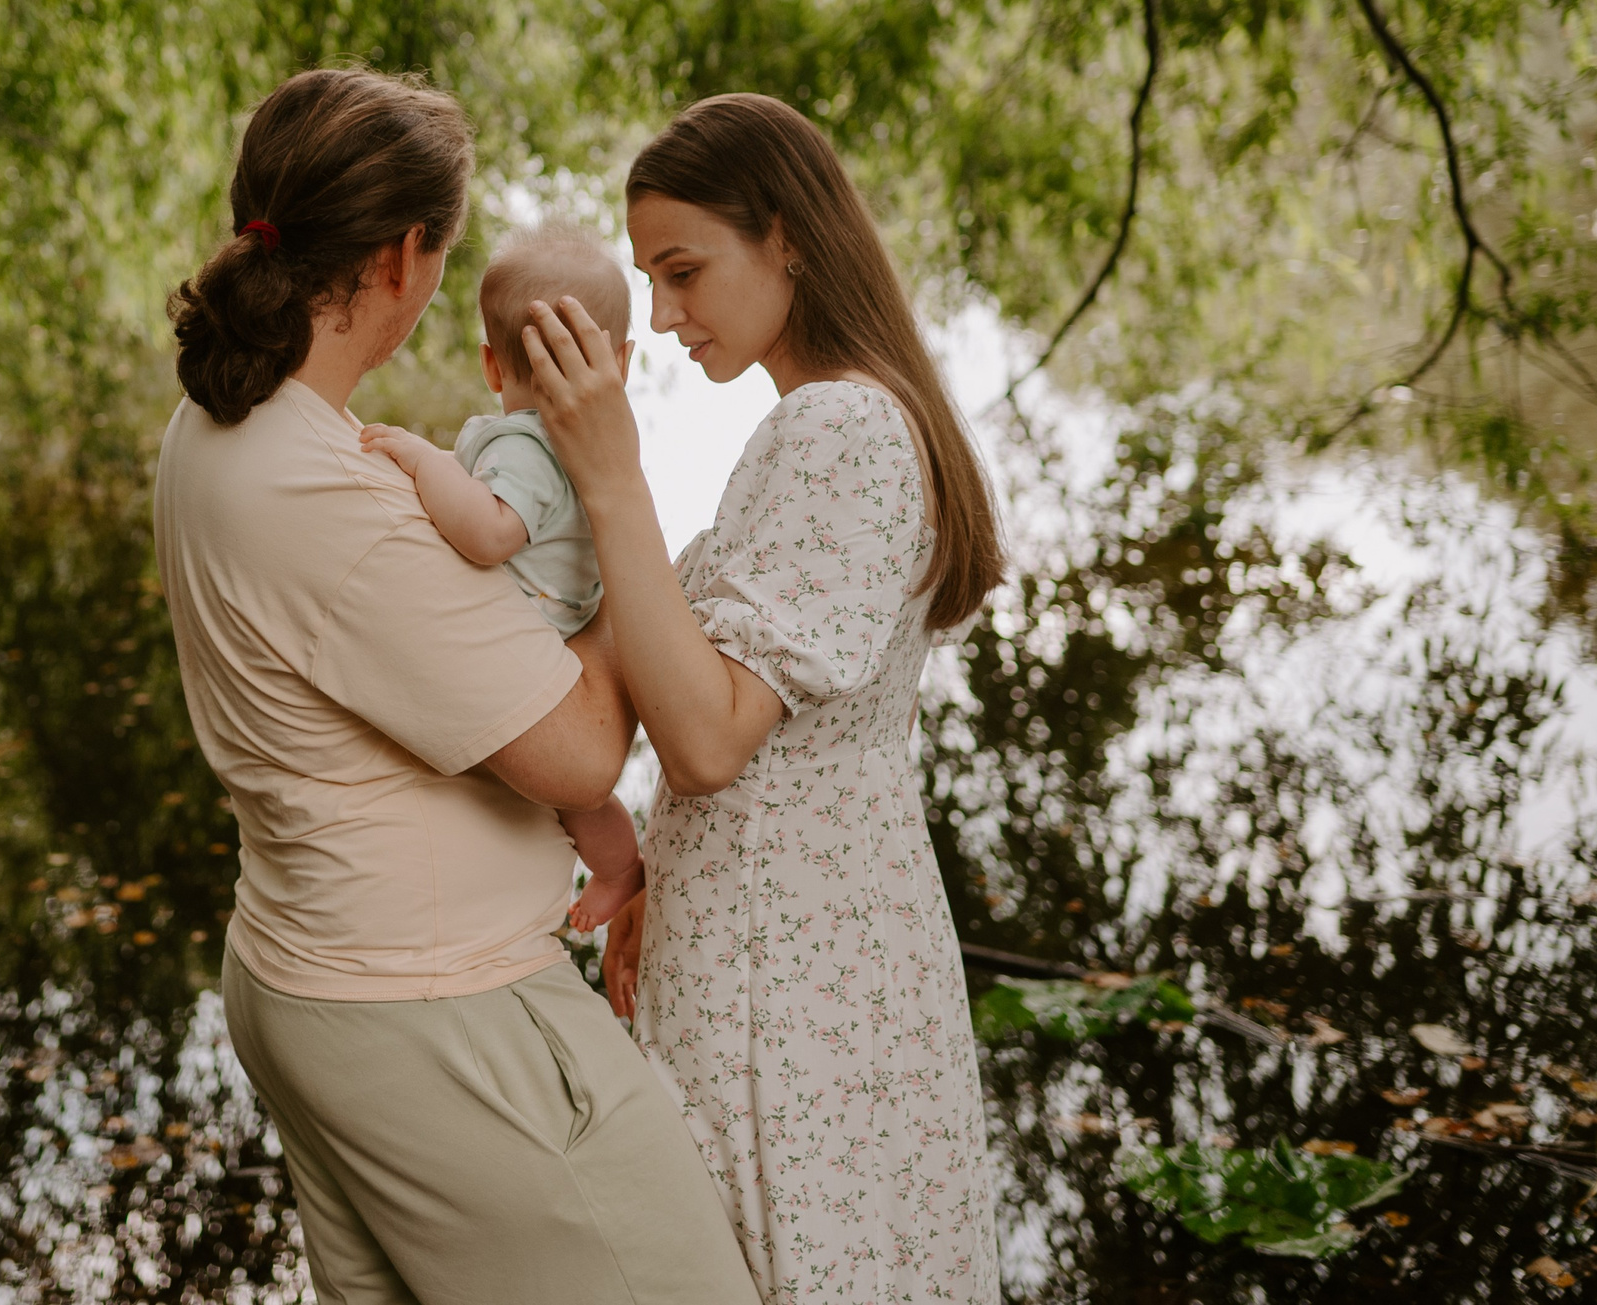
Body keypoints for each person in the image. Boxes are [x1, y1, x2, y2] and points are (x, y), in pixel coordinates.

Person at [154, 68, 758, 1305]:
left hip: (317, 982)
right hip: (436, 1012)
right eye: (443, 251)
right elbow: (579, 753)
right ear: (400, 257)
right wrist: (610, 499)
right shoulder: (327, 492)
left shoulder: (222, 426)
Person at [521, 93, 1005, 1304]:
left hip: (788, 970)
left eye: (683, 271)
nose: (663, 315)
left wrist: (610, 474)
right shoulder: (838, 422)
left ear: (784, 236)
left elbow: (708, 743)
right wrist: (654, 871)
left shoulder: (838, 425)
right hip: (822, 933)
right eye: (649, 279)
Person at [357, 221, 645, 933]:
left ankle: (618, 869)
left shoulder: (525, 446)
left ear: (492, 365)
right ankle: (613, 867)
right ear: (621, 362)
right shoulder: (586, 447)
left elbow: (490, 534)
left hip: (536, 635)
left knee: (568, 791)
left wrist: (424, 460)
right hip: (566, 621)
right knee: (575, 800)